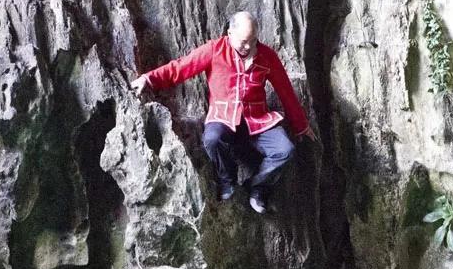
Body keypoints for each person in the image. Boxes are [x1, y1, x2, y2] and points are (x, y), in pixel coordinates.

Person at [130, 11, 317, 213]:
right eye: (244, 41)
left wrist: (301, 126)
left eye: (254, 40)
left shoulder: (267, 56)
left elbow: (285, 90)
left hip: (257, 119)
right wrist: (148, 79)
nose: (249, 47)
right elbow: (180, 68)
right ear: (230, 33)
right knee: (212, 139)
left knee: (285, 149)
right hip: (223, 117)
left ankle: (257, 186)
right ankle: (227, 179)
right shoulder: (214, 49)